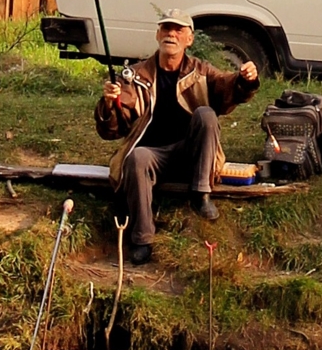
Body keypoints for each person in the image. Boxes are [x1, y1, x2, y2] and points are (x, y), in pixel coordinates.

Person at [94, 14, 260, 264]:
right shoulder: (137, 75)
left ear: (189, 39)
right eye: (166, 28)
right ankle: (142, 240)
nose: (171, 34)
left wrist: (244, 80)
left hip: (190, 155)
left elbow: (226, 88)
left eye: (178, 30)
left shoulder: (201, 71)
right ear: (158, 35)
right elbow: (113, 129)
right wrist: (109, 104)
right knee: (137, 157)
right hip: (153, 156)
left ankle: (201, 195)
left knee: (206, 115)